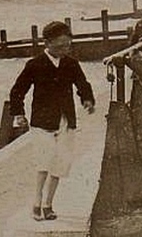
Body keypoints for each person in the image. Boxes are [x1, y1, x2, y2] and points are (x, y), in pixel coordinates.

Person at [8, 20, 96, 221]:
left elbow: (82, 84)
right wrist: (19, 114)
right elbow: (17, 91)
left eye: (68, 45)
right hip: (42, 122)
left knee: (60, 163)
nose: (65, 49)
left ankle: (49, 204)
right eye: (60, 45)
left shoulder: (70, 63)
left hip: (66, 121)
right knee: (44, 161)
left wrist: (87, 100)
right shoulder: (35, 65)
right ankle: (37, 200)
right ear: (47, 43)